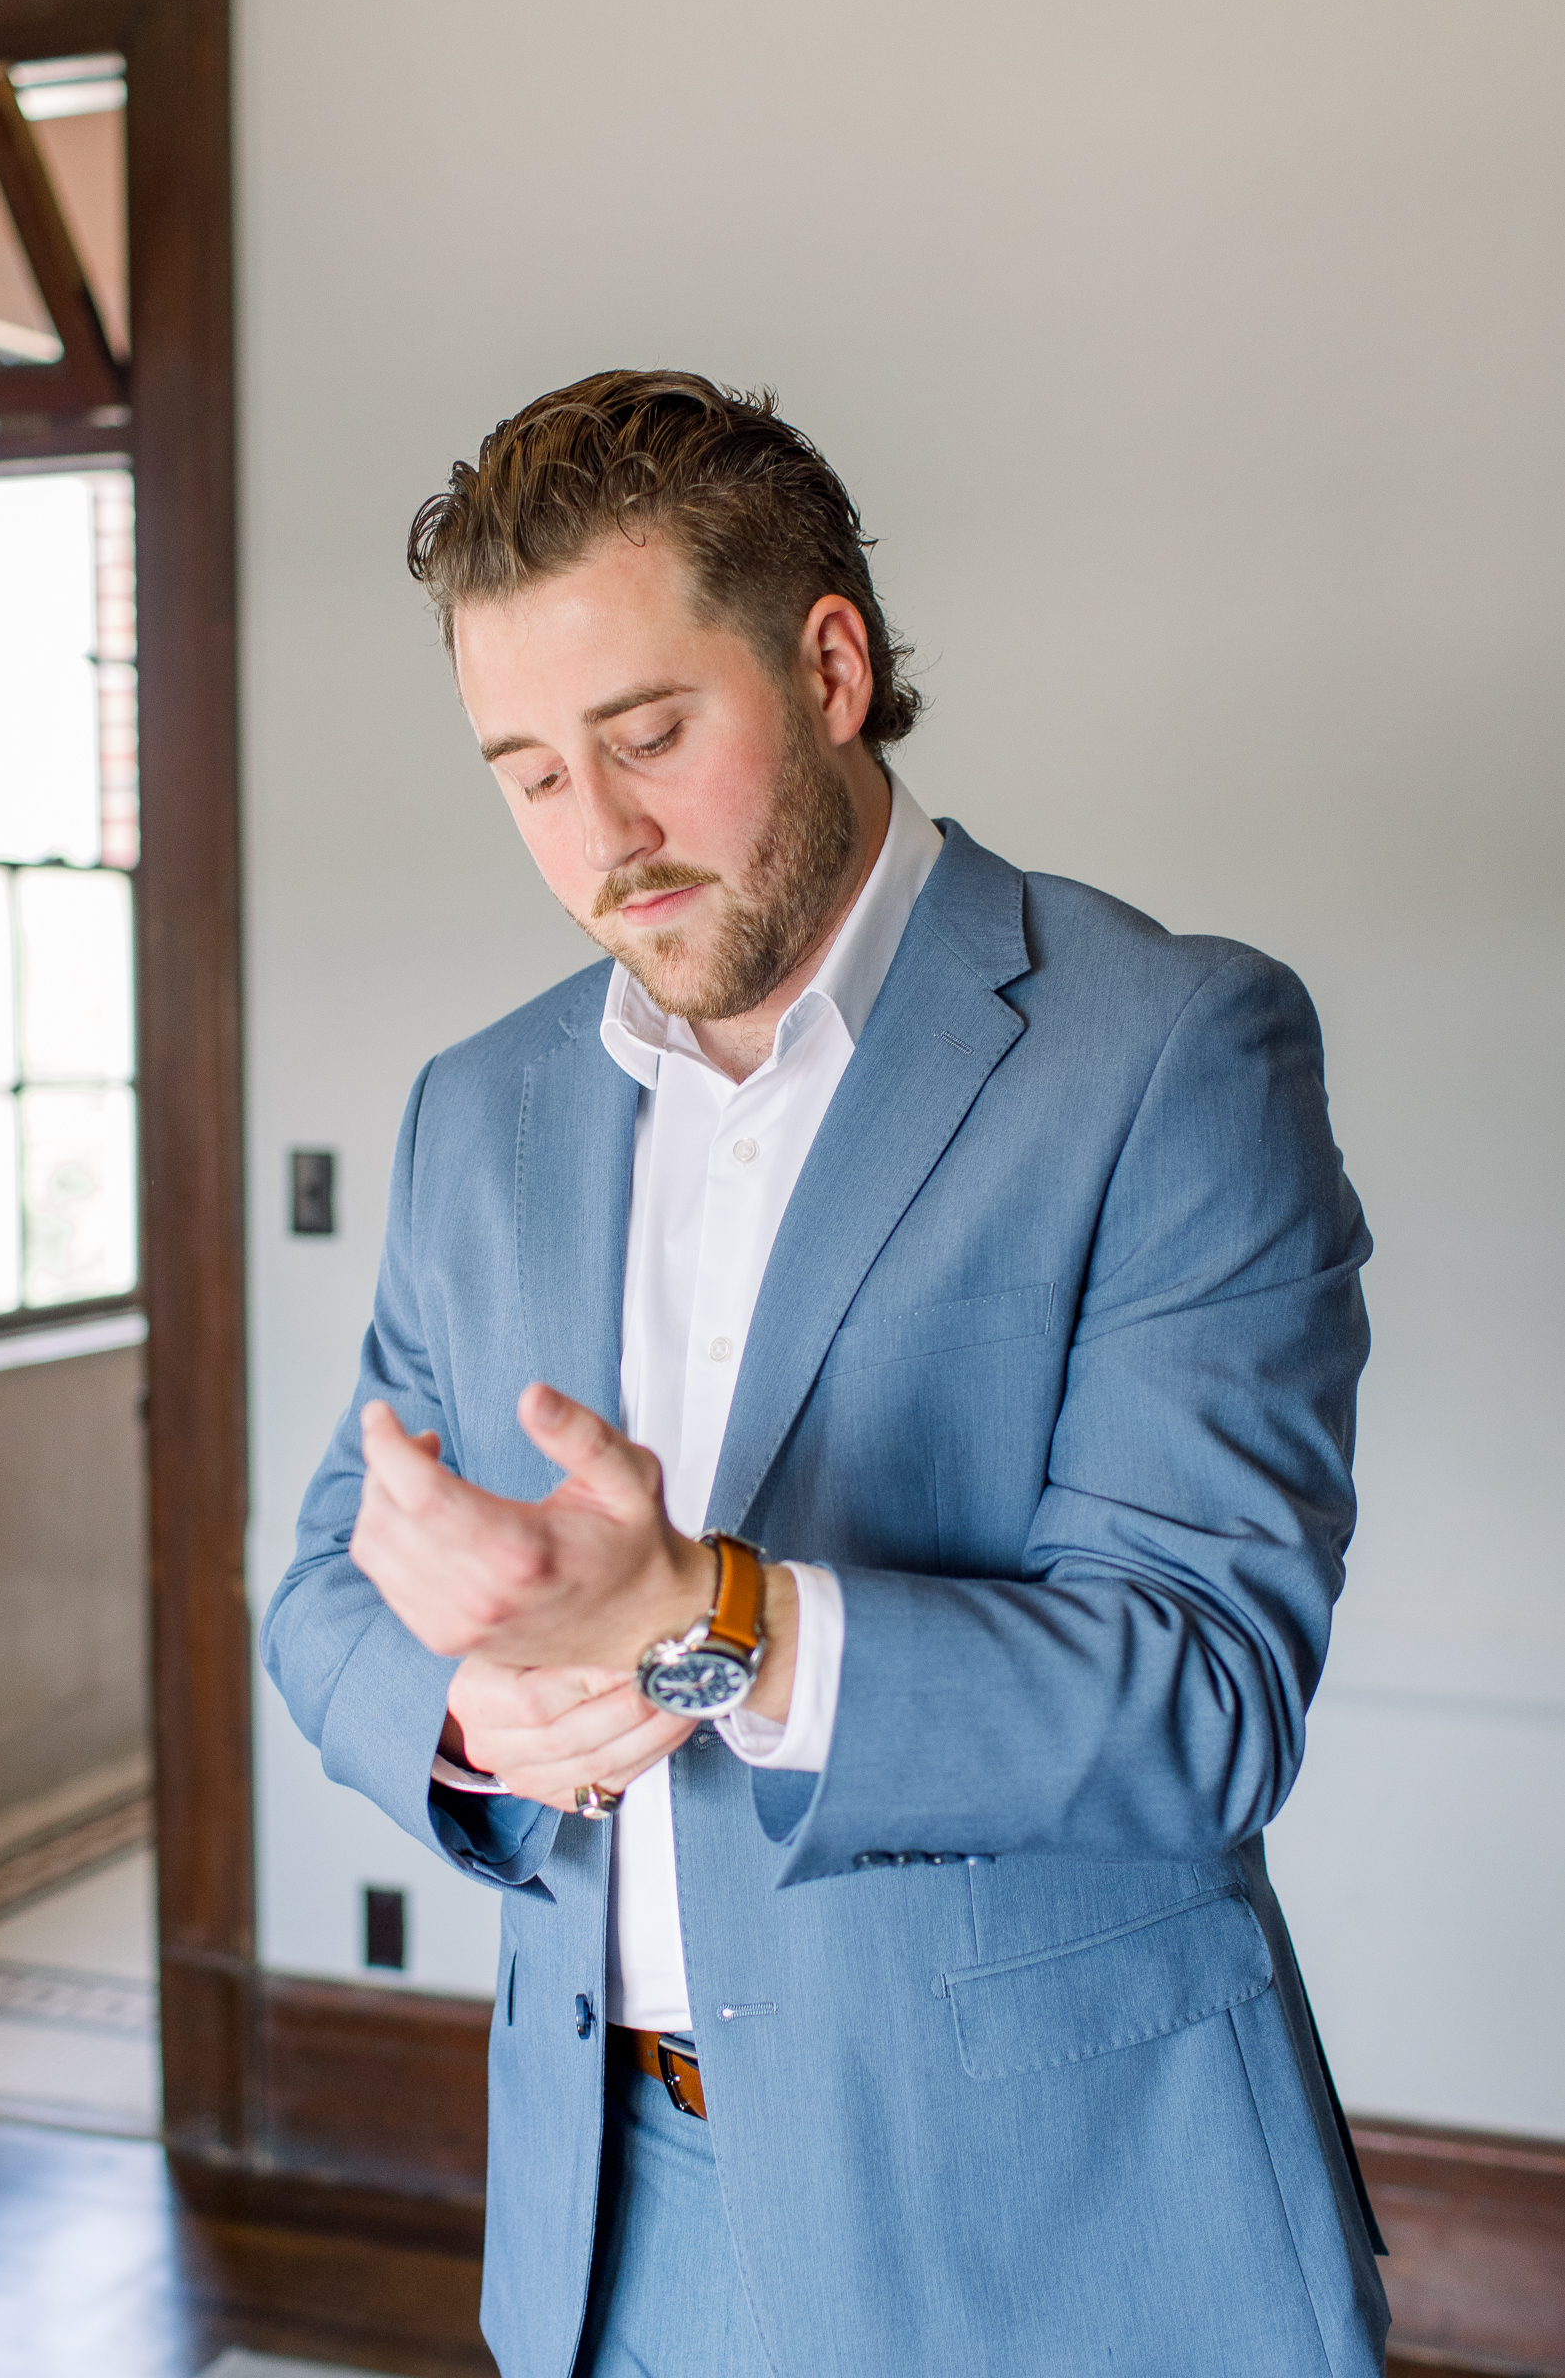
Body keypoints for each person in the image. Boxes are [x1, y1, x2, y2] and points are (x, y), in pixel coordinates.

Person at [262, 369, 1389, 2378]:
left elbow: (1206, 1697)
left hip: (1061, 2228)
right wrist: (481, 1711)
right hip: (610, 2225)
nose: (596, 837)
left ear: (833, 663)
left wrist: (708, 1621)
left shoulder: (1171, 1051)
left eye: (649, 738)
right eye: (526, 774)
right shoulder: (476, 1111)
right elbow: (331, 1580)